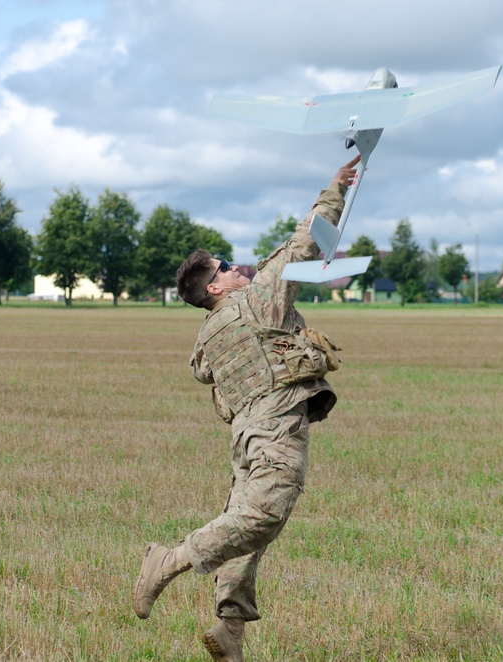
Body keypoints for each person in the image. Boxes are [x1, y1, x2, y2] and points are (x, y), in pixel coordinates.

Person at [133, 155, 361, 661]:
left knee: (246, 525)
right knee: (264, 514)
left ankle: (230, 627)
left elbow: (204, 373)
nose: (238, 267)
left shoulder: (208, 334)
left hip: (245, 434)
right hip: (275, 424)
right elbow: (307, 239)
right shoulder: (260, 299)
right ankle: (167, 562)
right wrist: (335, 188)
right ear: (214, 287)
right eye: (225, 267)